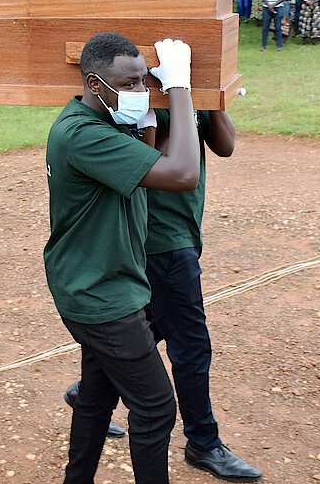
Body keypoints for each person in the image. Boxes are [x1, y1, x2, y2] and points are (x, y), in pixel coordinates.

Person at [66, 104, 262, 482]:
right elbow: (153, 162)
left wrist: (210, 96)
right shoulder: (138, 89)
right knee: (190, 342)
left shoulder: (185, 88)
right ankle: (203, 441)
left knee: (147, 327)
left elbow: (225, 146)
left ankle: (94, 391)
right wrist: (177, 95)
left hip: (183, 227)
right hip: (158, 236)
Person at [45, 32, 201, 484]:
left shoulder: (94, 121)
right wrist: (179, 87)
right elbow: (183, 173)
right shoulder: (84, 136)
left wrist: (146, 117)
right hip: (103, 298)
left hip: (93, 285)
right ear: (95, 84)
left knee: (96, 399)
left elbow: (146, 162)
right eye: (129, 84)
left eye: (144, 82)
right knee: (155, 407)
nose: (140, 91)